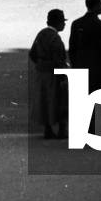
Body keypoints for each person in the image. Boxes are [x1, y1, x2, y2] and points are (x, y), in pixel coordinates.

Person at [29, 8, 69, 139]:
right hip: (53, 73)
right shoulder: (55, 38)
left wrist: (41, 64)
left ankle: (48, 128)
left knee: (45, 100)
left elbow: (33, 54)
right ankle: (62, 129)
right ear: (58, 23)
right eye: (63, 21)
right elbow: (59, 60)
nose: (64, 24)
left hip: (41, 72)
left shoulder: (41, 34)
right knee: (60, 100)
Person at [68, 0, 101, 92]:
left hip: (80, 69)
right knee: (98, 103)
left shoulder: (76, 23)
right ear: (96, 5)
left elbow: (72, 49)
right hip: (98, 73)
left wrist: (76, 66)